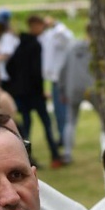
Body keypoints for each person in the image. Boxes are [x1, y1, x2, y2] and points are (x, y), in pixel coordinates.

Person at [7, 14, 62, 168]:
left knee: (27, 127)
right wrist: (40, 90)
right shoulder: (35, 45)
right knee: (45, 124)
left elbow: (9, 66)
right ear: (33, 26)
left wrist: (17, 83)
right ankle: (55, 156)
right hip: (34, 93)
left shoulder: (21, 44)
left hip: (22, 93)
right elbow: (36, 72)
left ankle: (25, 159)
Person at [58, 28, 99, 164]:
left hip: (73, 89)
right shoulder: (98, 50)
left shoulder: (71, 48)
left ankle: (67, 153)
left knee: (70, 121)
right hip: (93, 88)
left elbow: (63, 69)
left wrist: (62, 89)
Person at [39, 16, 73, 147]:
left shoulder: (62, 34)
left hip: (61, 80)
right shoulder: (49, 35)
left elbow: (66, 37)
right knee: (58, 113)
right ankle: (62, 137)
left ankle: (65, 139)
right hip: (54, 79)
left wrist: (56, 23)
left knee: (63, 112)